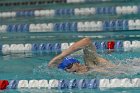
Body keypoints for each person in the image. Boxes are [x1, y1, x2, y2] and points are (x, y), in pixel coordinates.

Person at [48, 37, 114, 74]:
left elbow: (86, 41)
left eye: (69, 66)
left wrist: (62, 55)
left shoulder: (91, 64)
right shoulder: (89, 71)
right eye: (68, 67)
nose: (78, 65)